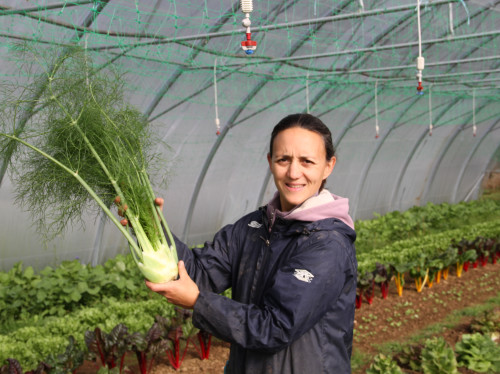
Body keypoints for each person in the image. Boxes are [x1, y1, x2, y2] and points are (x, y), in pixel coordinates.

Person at [146, 113, 357, 373]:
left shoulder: (328, 244)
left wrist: (199, 303)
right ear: (270, 162)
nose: (293, 173)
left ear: (328, 165)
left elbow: (275, 327)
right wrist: (150, 227)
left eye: (307, 161)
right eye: (283, 160)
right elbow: (198, 274)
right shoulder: (252, 227)